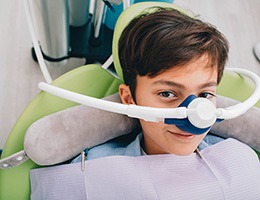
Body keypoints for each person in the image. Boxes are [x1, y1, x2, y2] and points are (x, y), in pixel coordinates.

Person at [31, 6, 260, 199]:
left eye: (204, 95)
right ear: (129, 98)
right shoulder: (91, 172)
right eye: (168, 94)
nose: (194, 115)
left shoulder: (240, 160)